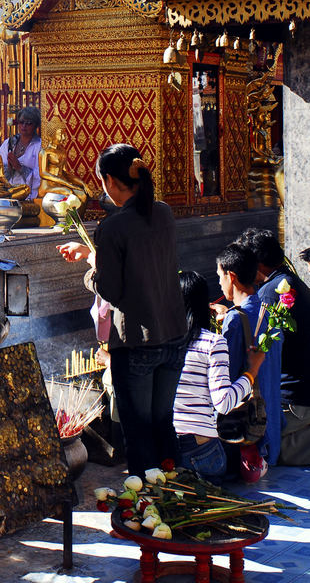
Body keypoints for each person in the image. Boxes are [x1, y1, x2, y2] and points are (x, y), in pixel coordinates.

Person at [58, 143, 186, 478]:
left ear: (110, 182)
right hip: (173, 335)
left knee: (139, 433)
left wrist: (90, 269)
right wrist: (93, 255)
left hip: (137, 342)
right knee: (162, 423)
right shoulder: (164, 213)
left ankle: (147, 505)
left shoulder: (113, 227)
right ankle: (177, 491)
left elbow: (110, 289)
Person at [174, 271, 264, 483]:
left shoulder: (160, 342)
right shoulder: (212, 343)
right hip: (200, 452)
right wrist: (251, 372)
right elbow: (223, 403)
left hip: (165, 448)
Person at [239, 228, 310, 465]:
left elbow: (263, 349)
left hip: (292, 402)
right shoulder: (290, 280)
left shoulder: (273, 292)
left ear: (258, 264)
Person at [216, 242, 283, 479]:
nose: (220, 283)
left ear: (231, 276)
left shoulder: (235, 321)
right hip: (271, 431)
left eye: (220, 276)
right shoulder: (270, 312)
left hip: (249, 434)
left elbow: (227, 380)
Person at [0, 105, 42, 199]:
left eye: (29, 123)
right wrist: (8, 169)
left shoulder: (39, 146)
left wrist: (20, 168)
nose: (24, 126)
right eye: (21, 122)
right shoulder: (9, 143)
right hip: (8, 192)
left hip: (29, 195)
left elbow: (41, 176)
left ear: (36, 125)